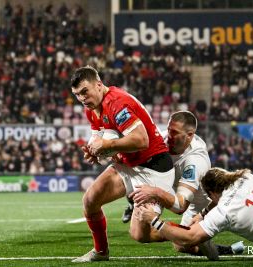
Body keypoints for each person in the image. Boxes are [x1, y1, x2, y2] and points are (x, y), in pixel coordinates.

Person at [70, 66, 176, 262]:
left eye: (85, 91)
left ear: (99, 85)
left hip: (152, 168)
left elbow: (141, 140)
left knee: (141, 235)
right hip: (128, 164)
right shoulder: (92, 109)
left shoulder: (117, 103)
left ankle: (192, 234)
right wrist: (96, 153)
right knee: (90, 200)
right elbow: (100, 142)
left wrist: (107, 145)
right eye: (77, 95)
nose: (82, 98)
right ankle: (101, 252)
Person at [128, 111, 244, 259]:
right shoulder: (163, 139)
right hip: (168, 186)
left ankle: (219, 247)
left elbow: (180, 206)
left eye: (174, 132)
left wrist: (155, 192)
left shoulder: (195, 161)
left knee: (181, 245)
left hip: (200, 204)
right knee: (139, 234)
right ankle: (191, 236)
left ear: (189, 135)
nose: (168, 136)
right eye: (169, 130)